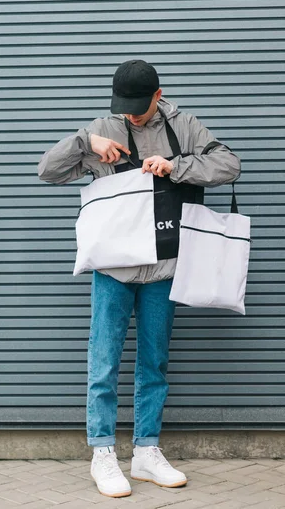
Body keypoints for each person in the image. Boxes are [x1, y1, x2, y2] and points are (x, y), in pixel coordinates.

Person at [37, 59, 241, 498]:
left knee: (155, 363)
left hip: (165, 268)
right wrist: (84, 141)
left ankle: (147, 451)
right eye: (123, 105)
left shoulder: (183, 125)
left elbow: (228, 165)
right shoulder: (101, 128)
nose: (131, 114)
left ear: (158, 95)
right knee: (104, 362)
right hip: (113, 269)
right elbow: (47, 171)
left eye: (139, 106)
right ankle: (103, 453)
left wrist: (175, 167)